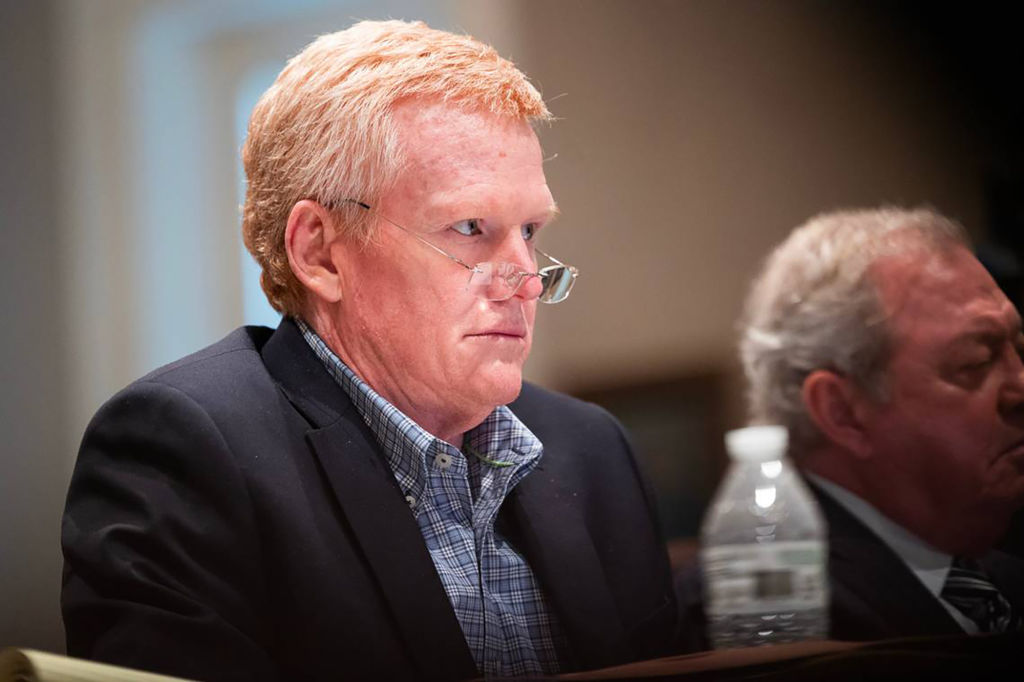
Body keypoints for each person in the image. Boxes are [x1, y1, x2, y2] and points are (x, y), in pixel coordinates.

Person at [61, 20, 677, 681]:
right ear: (320, 252)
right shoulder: (185, 450)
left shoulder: (592, 450)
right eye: (470, 227)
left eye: (529, 231)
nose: (525, 280)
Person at [679, 207, 1024, 647]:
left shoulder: (1004, 576)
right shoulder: (766, 613)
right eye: (975, 361)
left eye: (1019, 348)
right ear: (842, 411)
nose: (1019, 387)